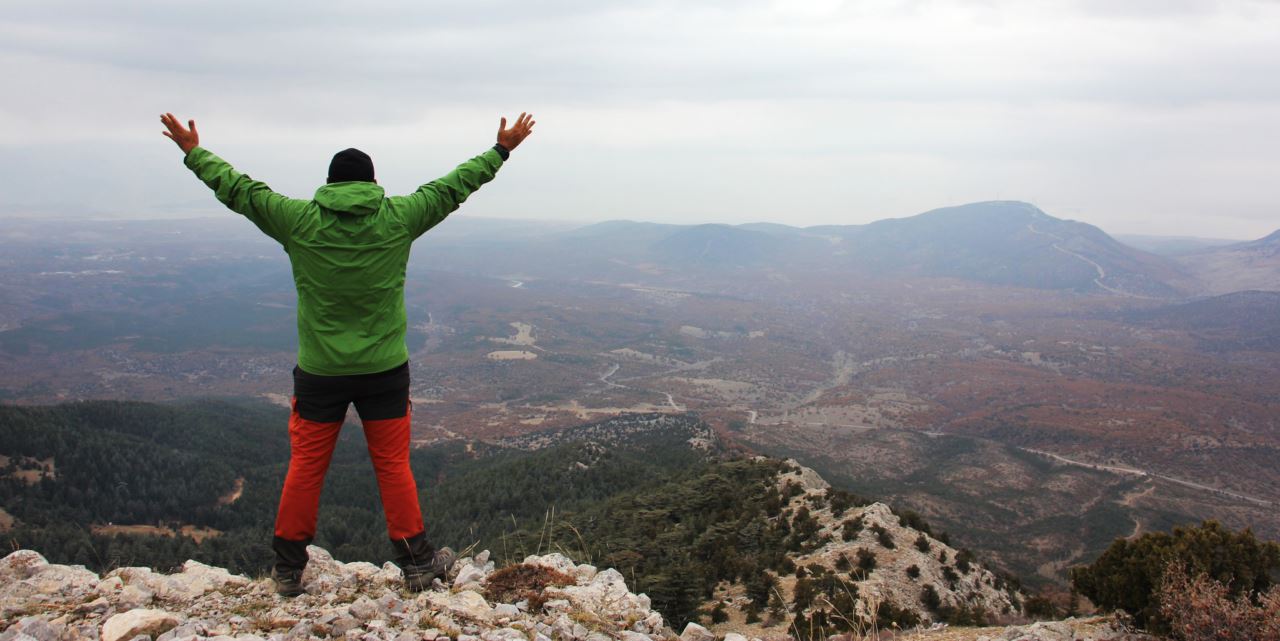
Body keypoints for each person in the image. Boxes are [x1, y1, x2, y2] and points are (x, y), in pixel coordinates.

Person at [160, 111, 536, 596]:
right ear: (374, 183)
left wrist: (194, 153)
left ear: (329, 185)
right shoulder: (398, 217)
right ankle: (418, 563)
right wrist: (500, 150)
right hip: (384, 370)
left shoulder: (297, 220)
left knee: (306, 466)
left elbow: (240, 190)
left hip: (320, 372)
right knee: (393, 466)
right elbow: (451, 188)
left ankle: (288, 569)